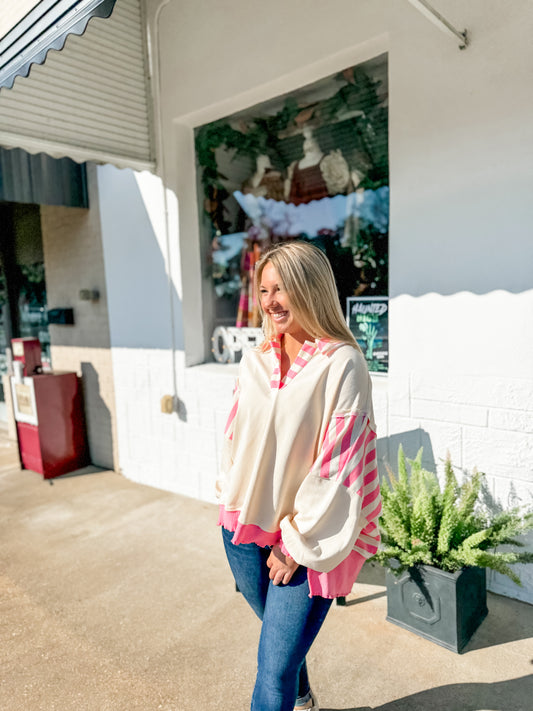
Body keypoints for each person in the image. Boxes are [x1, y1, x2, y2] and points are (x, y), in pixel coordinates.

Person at [216, 241, 381, 711]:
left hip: (306, 542)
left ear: (309, 287)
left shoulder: (342, 363)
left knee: (272, 671)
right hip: (242, 530)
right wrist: (227, 495)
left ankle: (291, 691)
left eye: (281, 287)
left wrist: (294, 543)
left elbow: (340, 462)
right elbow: (234, 438)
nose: (270, 301)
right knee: (277, 639)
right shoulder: (255, 358)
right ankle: (302, 694)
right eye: (264, 289)